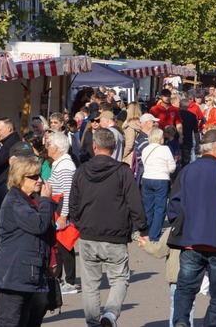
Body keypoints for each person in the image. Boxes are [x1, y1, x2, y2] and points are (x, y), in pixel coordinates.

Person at [69, 128, 149, 327]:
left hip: (89, 234)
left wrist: (80, 223)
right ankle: (111, 314)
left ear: (94, 146)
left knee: (90, 285)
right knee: (119, 278)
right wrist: (143, 229)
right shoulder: (123, 172)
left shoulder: (81, 171)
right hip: (115, 235)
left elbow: (73, 204)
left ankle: (94, 322)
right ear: (113, 148)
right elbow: (135, 203)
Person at [167, 129, 216, 327]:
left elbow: (173, 205)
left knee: (185, 288)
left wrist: (182, 225)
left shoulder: (188, 170)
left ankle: (181, 321)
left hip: (191, 241)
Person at [0, 156, 56, 327]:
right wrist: (47, 200)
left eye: (39, 175)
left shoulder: (30, 199)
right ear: (20, 178)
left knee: (25, 320)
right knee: (10, 321)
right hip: (13, 274)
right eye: (33, 177)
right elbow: (39, 225)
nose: (39, 180)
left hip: (26, 273)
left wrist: (49, 262)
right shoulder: (15, 201)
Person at [0, 138, 32, 273]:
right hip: (9, 260)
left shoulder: (38, 188)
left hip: (33, 260)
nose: (29, 164)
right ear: (12, 162)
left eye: (31, 160)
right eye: (24, 161)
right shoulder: (1, 191)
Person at [136, 228, 197, 327]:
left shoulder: (173, 229)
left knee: (175, 306)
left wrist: (146, 244)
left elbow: (159, 250)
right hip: (193, 276)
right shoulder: (199, 229)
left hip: (176, 276)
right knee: (189, 306)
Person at [46, 131, 79, 295]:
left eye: (49, 144)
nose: (47, 147)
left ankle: (70, 282)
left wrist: (64, 215)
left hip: (62, 209)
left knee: (65, 246)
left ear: (57, 147)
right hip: (58, 208)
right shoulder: (60, 163)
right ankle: (58, 278)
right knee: (59, 246)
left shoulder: (65, 166)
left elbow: (68, 193)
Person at [141, 128, 176, 242]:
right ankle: (154, 235)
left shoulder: (145, 149)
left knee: (148, 207)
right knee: (160, 208)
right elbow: (172, 167)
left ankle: (146, 232)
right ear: (160, 138)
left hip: (147, 178)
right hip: (161, 179)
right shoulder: (165, 149)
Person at [179, 99, 199, 167]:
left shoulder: (176, 114)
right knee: (186, 162)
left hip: (177, 139)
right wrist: (197, 144)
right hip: (187, 140)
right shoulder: (192, 116)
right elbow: (196, 131)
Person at [121, 102, 142, 167]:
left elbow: (129, 145)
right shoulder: (140, 123)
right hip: (138, 154)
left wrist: (122, 155)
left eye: (128, 108)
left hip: (130, 157)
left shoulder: (130, 126)